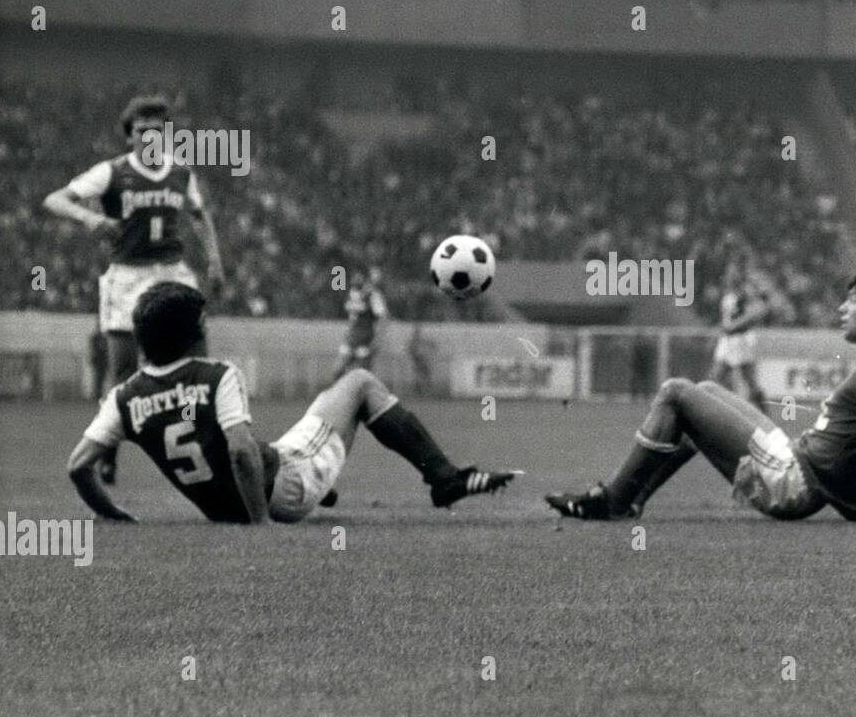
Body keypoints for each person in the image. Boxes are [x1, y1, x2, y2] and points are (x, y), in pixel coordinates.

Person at [65, 283, 518, 523]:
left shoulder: (124, 397)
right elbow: (242, 454)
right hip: (284, 489)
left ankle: (330, 482)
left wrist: (113, 514)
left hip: (228, 500)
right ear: (194, 334)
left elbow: (78, 466)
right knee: (359, 382)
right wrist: (260, 524)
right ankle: (444, 480)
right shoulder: (217, 374)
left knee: (326, 401)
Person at [548, 270, 856, 523]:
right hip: (799, 461)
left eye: (853, 300)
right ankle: (631, 500)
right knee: (707, 390)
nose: (842, 308)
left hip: (794, 481)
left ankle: (615, 500)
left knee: (674, 392)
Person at [44, 94, 226, 483]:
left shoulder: (180, 173)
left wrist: (214, 259)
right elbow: (55, 199)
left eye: (157, 131)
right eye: (142, 131)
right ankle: (108, 452)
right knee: (123, 371)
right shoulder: (111, 172)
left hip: (173, 272)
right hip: (127, 275)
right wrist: (88, 218)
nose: (150, 138)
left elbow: (199, 215)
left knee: (200, 364)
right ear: (130, 137)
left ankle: (208, 440)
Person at [709, 259, 769, 413]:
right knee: (715, 377)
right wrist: (722, 329)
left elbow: (756, 312)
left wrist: (734, 325)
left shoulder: (746, 292)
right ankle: (715, 412)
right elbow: (726, 318)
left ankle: (764, 412)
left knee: (749, 381)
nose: (729, 275)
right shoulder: (728, 292)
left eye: (733, 272)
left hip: (741, 339)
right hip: (727, 340)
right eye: (728, 272)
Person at [333, 267, 387, 380]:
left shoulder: (373, 295)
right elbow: (352, 317)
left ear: (364, 278)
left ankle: (364, 396)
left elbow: (383, 318)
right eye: (353, 276)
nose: (354, 279)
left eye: (358, 276)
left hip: (366, 338)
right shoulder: (350, 293)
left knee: (362, 374)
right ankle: (342, 395)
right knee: (337, 371)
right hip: (351, 337)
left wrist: (377, 339)